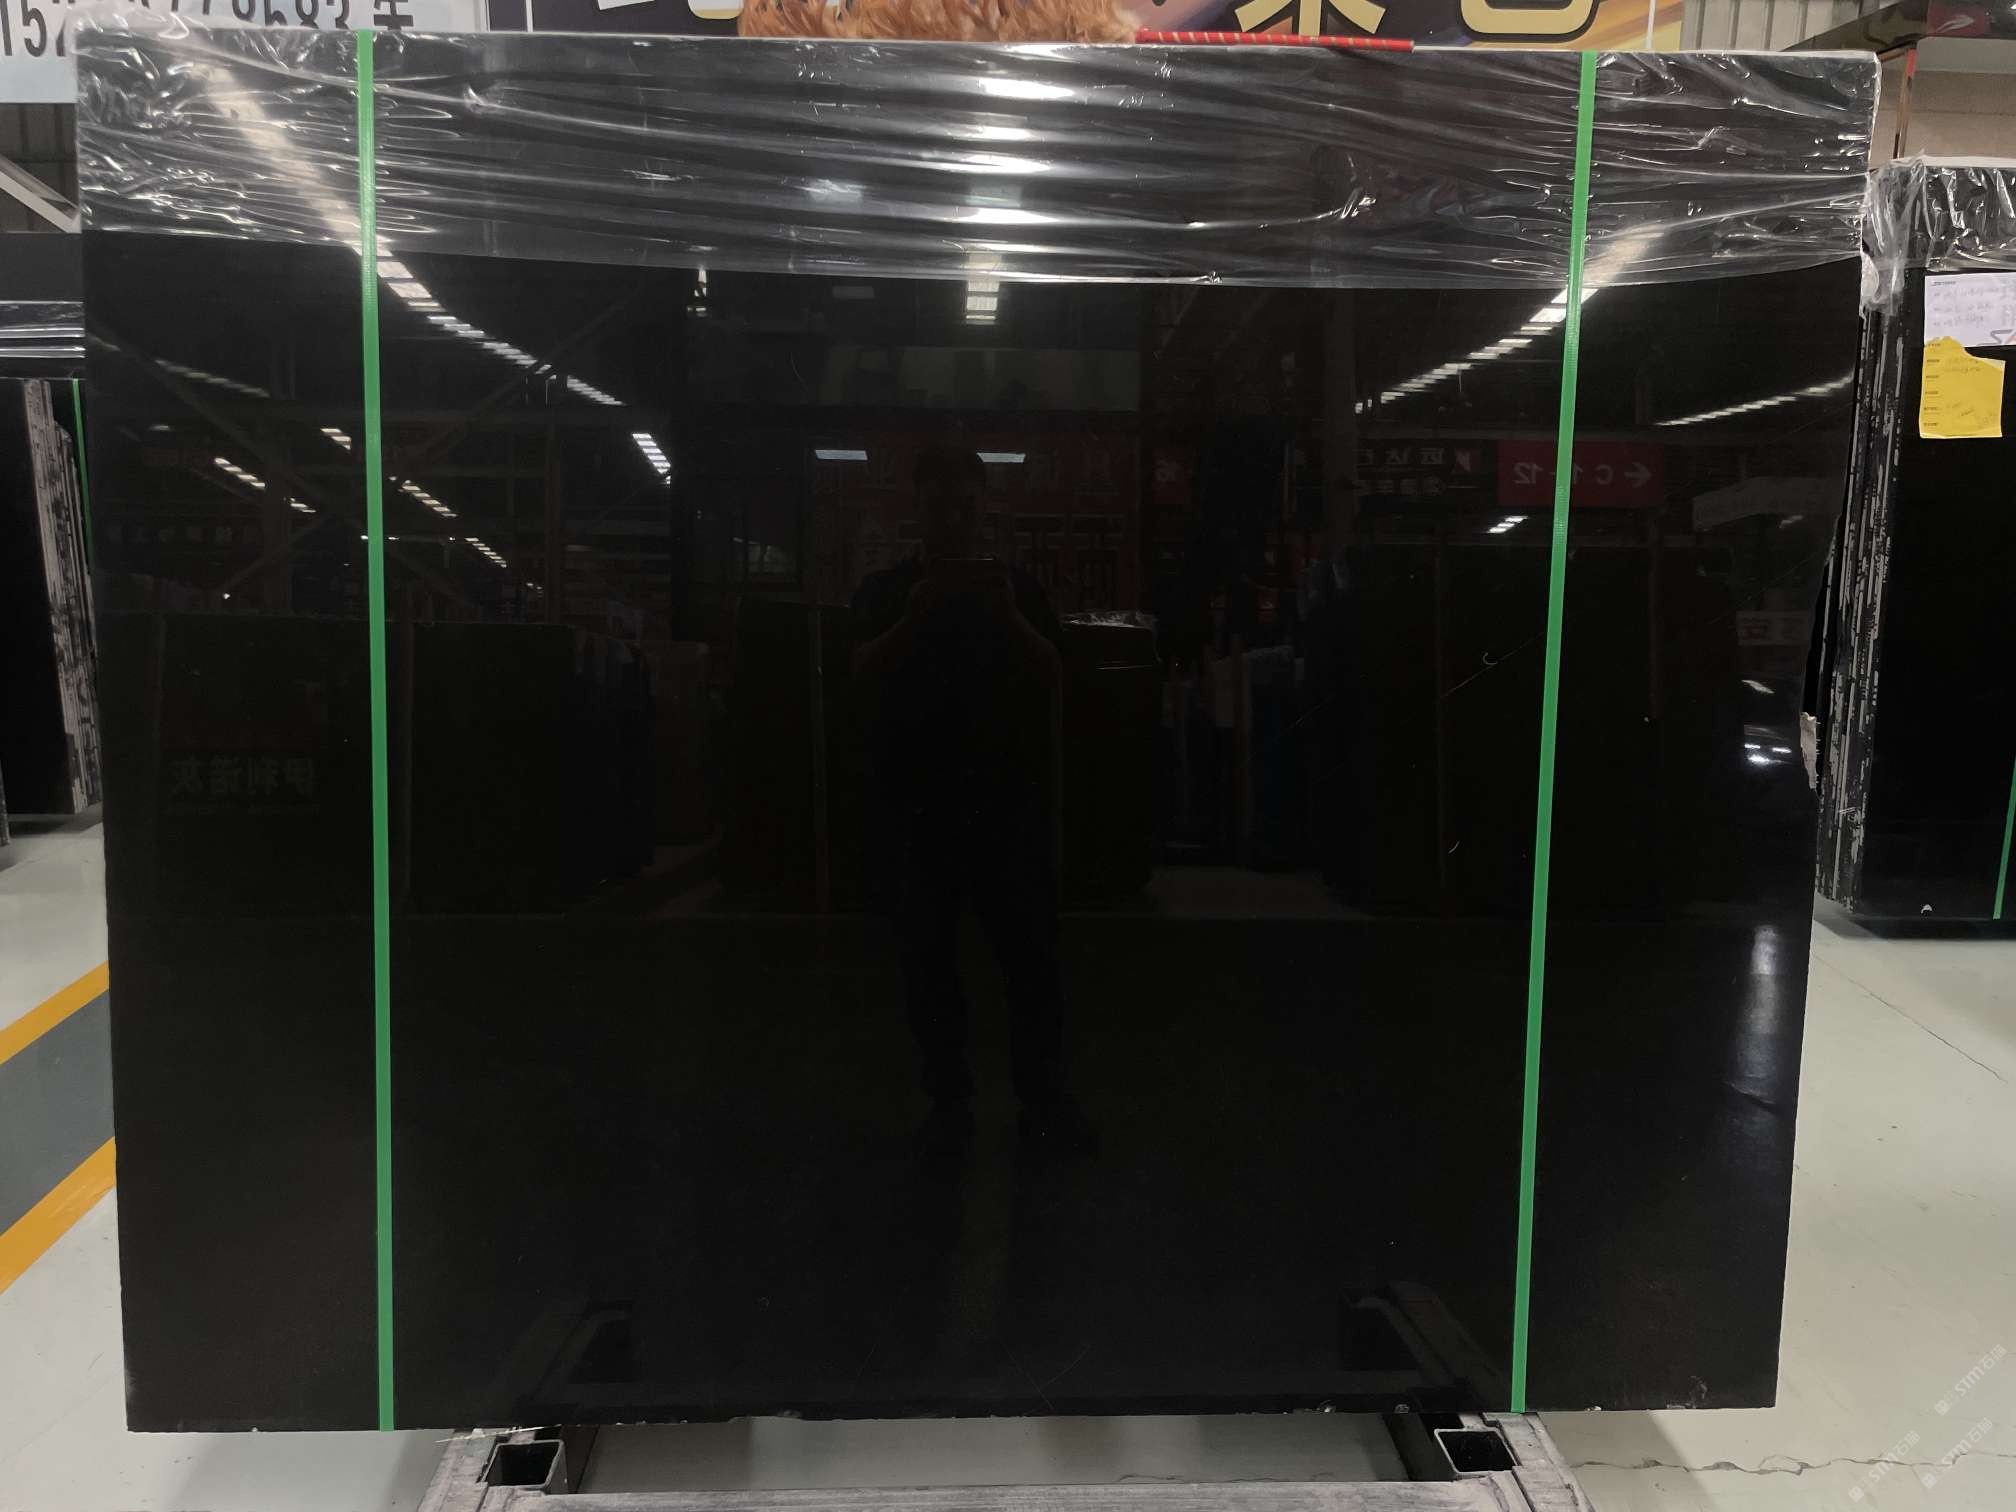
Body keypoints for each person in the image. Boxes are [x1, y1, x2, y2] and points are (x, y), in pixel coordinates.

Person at [849, 445, 1089, 1156]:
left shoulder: (1012, 589)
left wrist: (1007, 615)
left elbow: (1056, 670)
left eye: (963, 505)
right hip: (925, 807)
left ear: (982, 508)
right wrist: (914, 619)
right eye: (940, 505)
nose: (953, 518)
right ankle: (958, 1105)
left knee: (1026, 961)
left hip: (1001, 804)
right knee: (935, 963)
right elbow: (857, 669)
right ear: (919, 509)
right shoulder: (892, 591)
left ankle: (1028, 1100)